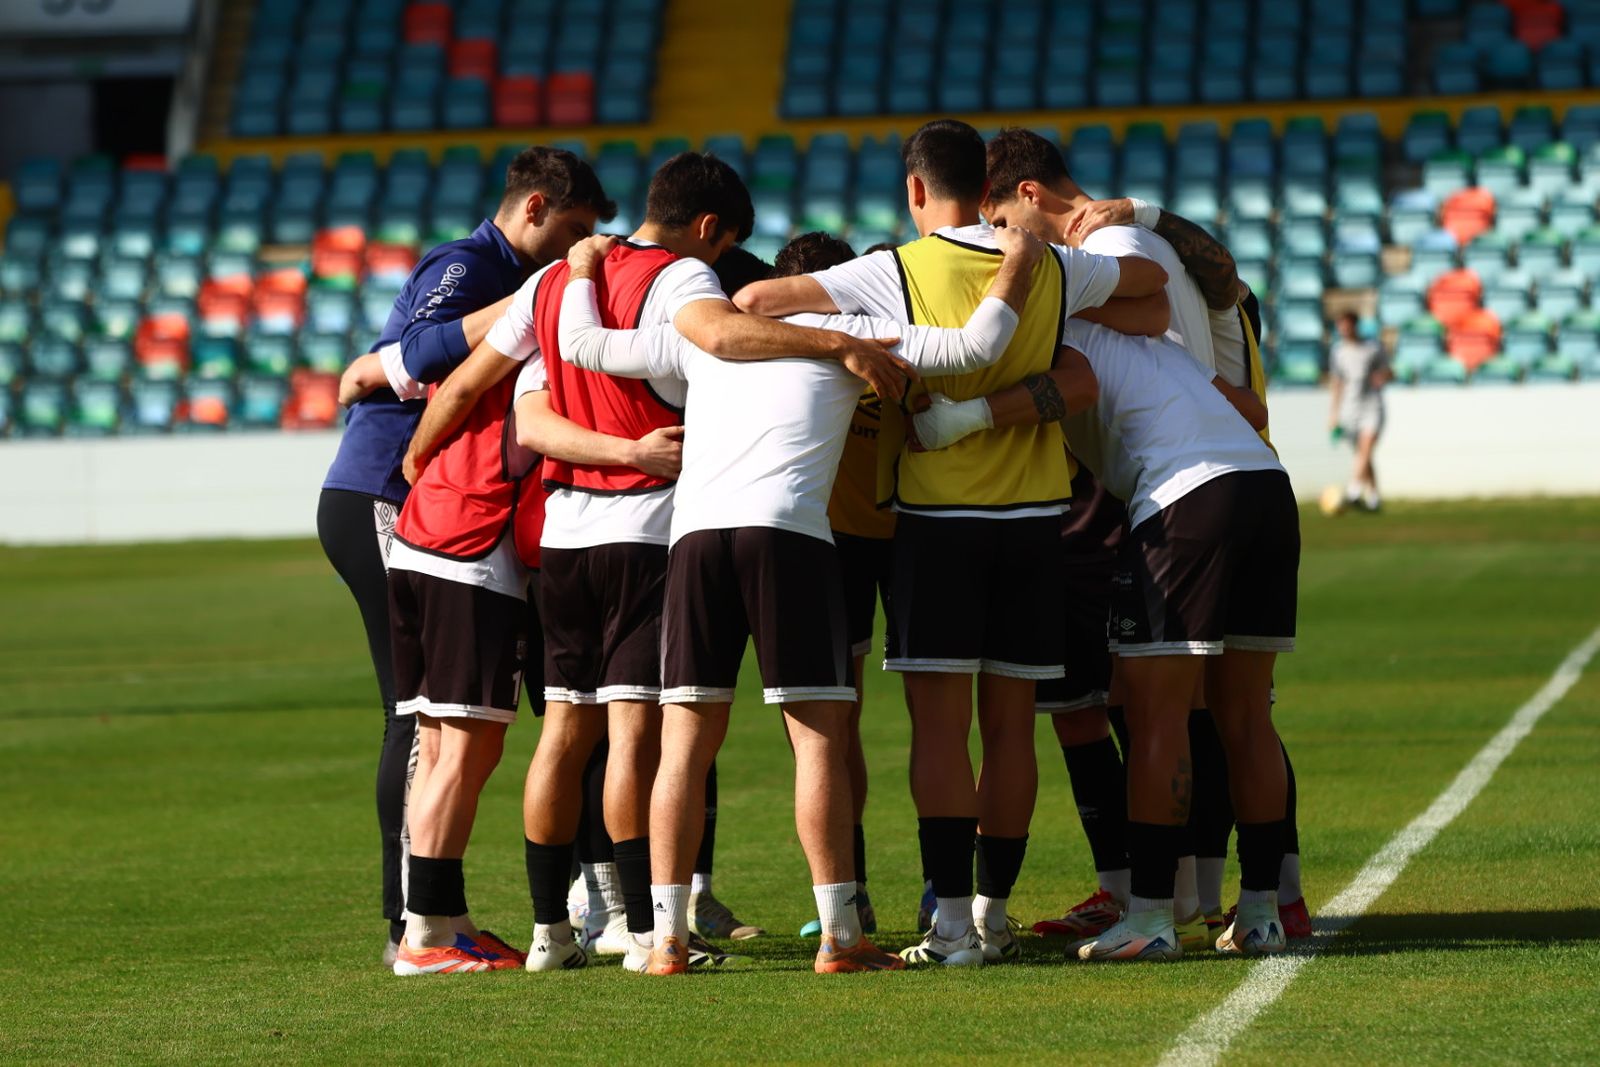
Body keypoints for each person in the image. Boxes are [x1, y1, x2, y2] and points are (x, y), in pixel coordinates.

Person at [399, 152, 909, 974]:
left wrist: (417, 461)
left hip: (562, 529)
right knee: (644, 738)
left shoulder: (557, 282)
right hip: (648, 523)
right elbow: (718, 344)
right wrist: (641, 447)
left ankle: (549, 932)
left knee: (564, 734)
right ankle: (647, 926)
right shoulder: (685, 287)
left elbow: (492, 394)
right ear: (709, 230)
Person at [555, 221, 1047, 974]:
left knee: (683, 742)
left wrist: (585, 265)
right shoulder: (858, 328)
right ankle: (840, 937)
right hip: (788, 533)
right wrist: (1017, 259)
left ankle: (667, 941)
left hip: (695, 535)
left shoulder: (710, 330)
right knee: (819, 737)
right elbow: (978, 347)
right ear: (843, 284)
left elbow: (584, 346)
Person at [735, 118, 1170, 967]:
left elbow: (755, 303)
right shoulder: (1044, 259)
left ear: (914, 190)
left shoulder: (893, 267)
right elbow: (1151, 288)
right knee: (1011, 726)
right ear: (988, 185)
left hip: (936, 521)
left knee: (939, 731)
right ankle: (993, 913)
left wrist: (866, 341)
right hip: (1037, 516)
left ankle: (946, 932)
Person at [915, 305, 1300, 961]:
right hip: (1266, 488)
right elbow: (1246, 408)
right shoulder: (1153, 340)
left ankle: (1150, 914)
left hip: (1184, 498)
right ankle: (1262, 909)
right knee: (1246, 713)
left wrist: (962, 418)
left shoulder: (1046, 331)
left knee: (1153, 712)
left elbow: (1076, 387)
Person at [315, 145, 602, 968]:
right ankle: (413, 922)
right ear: (537, 207)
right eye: (575, 228)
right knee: (419, 717)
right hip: (390, 491)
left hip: (425, 498)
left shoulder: (504, 270)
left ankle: (439, 912)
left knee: (433, 720)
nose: (580, 247)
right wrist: (529, 303)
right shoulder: (469, 262)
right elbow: (411, 346)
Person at [1328, 311, 1391, 512]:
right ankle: (1374, 498)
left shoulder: (1372, 348)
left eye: (1347, 325)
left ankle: (1353, 491)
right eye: (1341, 326)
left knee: (1365, 448)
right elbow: (1337, 383)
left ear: (1355, 325)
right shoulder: (1338, 352)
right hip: (1351, 408)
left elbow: (1389, 371)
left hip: (1372, 406)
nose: (1344, 329)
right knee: (1364, 454)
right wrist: (1334, 414)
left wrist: (1382, 376)